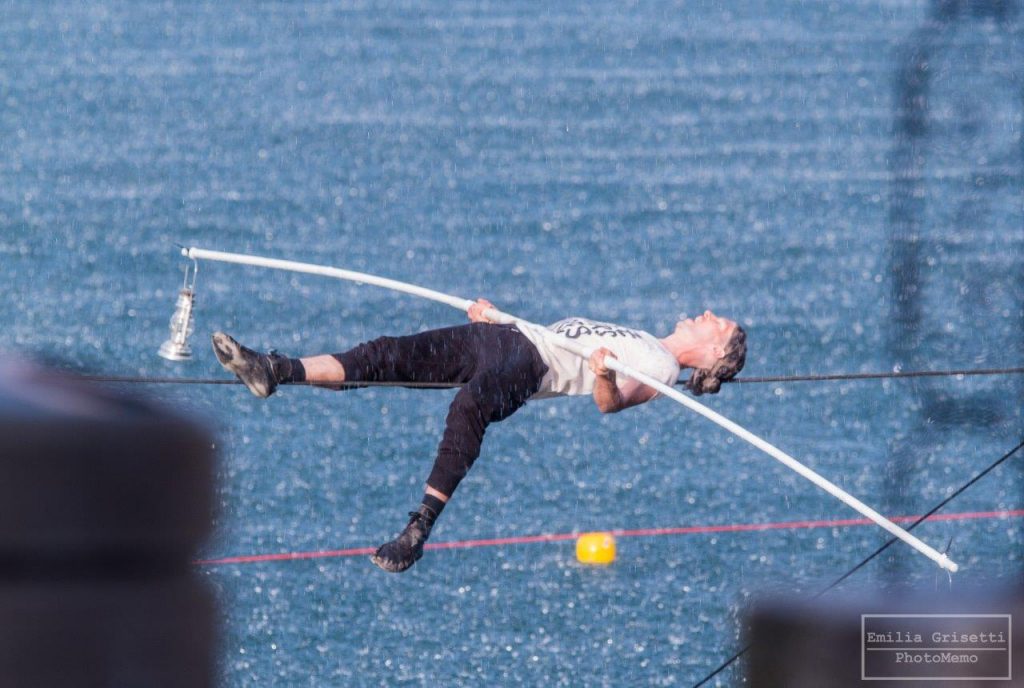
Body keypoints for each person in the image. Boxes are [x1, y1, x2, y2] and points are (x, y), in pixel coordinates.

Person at [211, 300, 746, 573]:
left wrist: (603, 374)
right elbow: (561, 337)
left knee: (469, 407)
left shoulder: (661, 366)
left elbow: (608, 404)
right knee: (385, 354)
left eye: (716, 324)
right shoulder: (647, 339)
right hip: (507, 337)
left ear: (715, 356)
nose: (707, 314)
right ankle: (274, 370)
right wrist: (495, 317)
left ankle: (418, 529)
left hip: (527, 365)